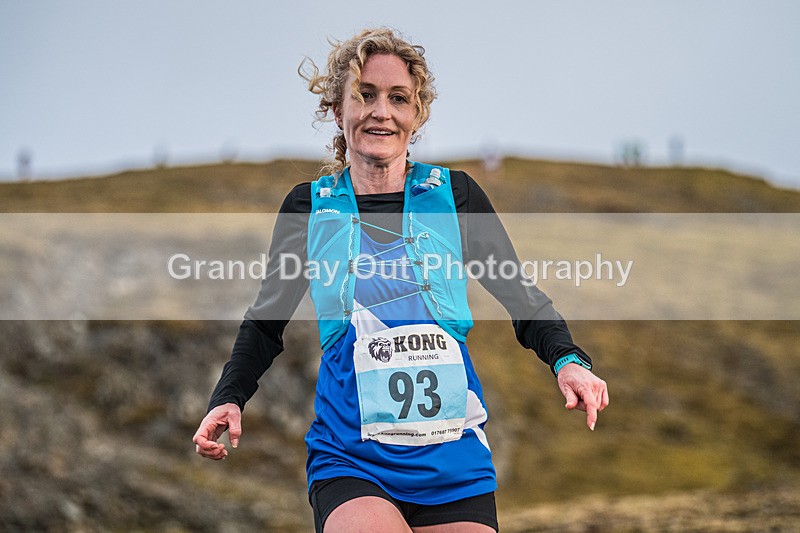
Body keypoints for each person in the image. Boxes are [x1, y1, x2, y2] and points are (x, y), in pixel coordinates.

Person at [193, 28, 609, 533]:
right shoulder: (310, 207)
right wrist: (228, 397)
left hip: (454, 462)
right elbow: (265, 323)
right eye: (365, 95)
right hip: (351, 459)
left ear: (417, 113)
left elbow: (521, 297)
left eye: (398, 98)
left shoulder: (454, 196)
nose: (381, 112)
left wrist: (568, 360)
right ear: (337, 109)